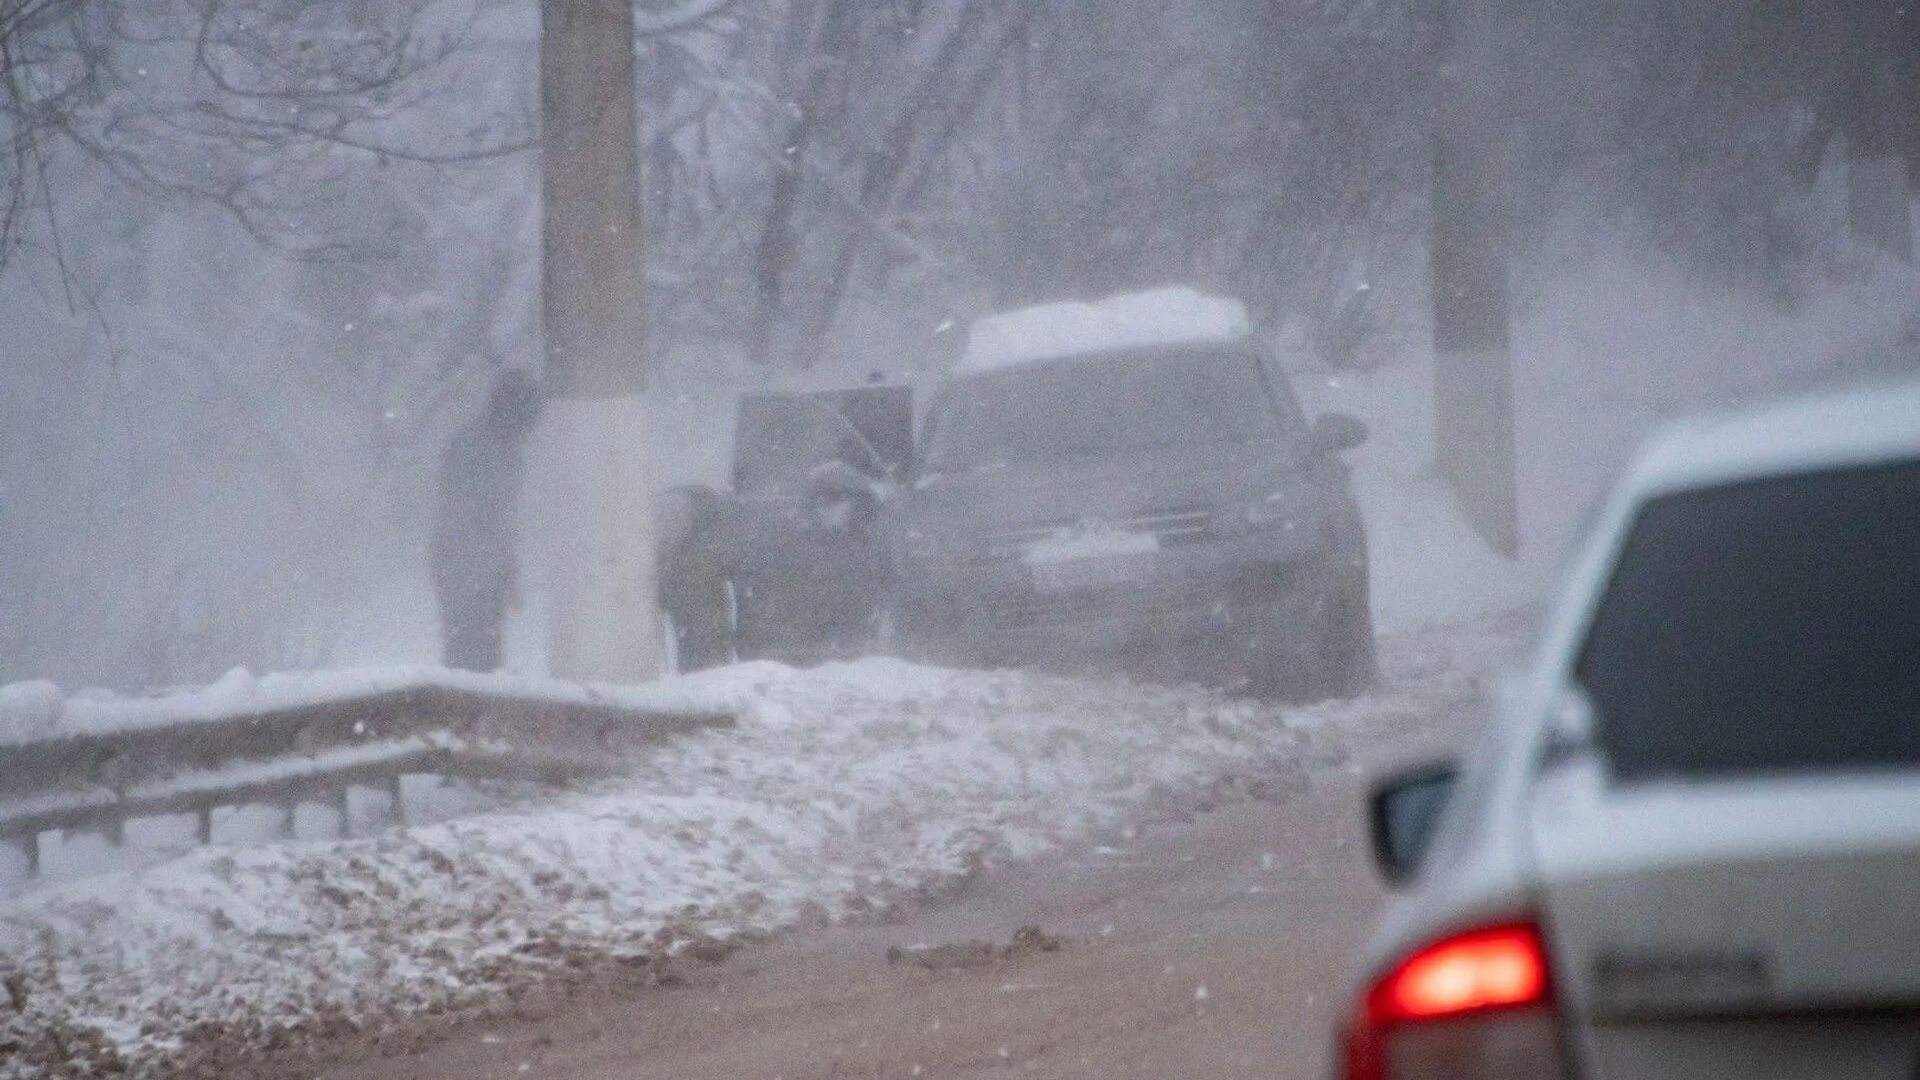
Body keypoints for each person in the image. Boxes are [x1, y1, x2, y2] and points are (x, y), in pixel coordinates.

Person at [430, 368, 541, 671]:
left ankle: (470, 706)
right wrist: (506, 572)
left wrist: (507, 573)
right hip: (469, 571)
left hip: (472, 570)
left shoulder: (488, 447)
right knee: (475, 655)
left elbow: (496, 519)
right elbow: (485, 516)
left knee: (472, 655)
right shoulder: (493, 452)